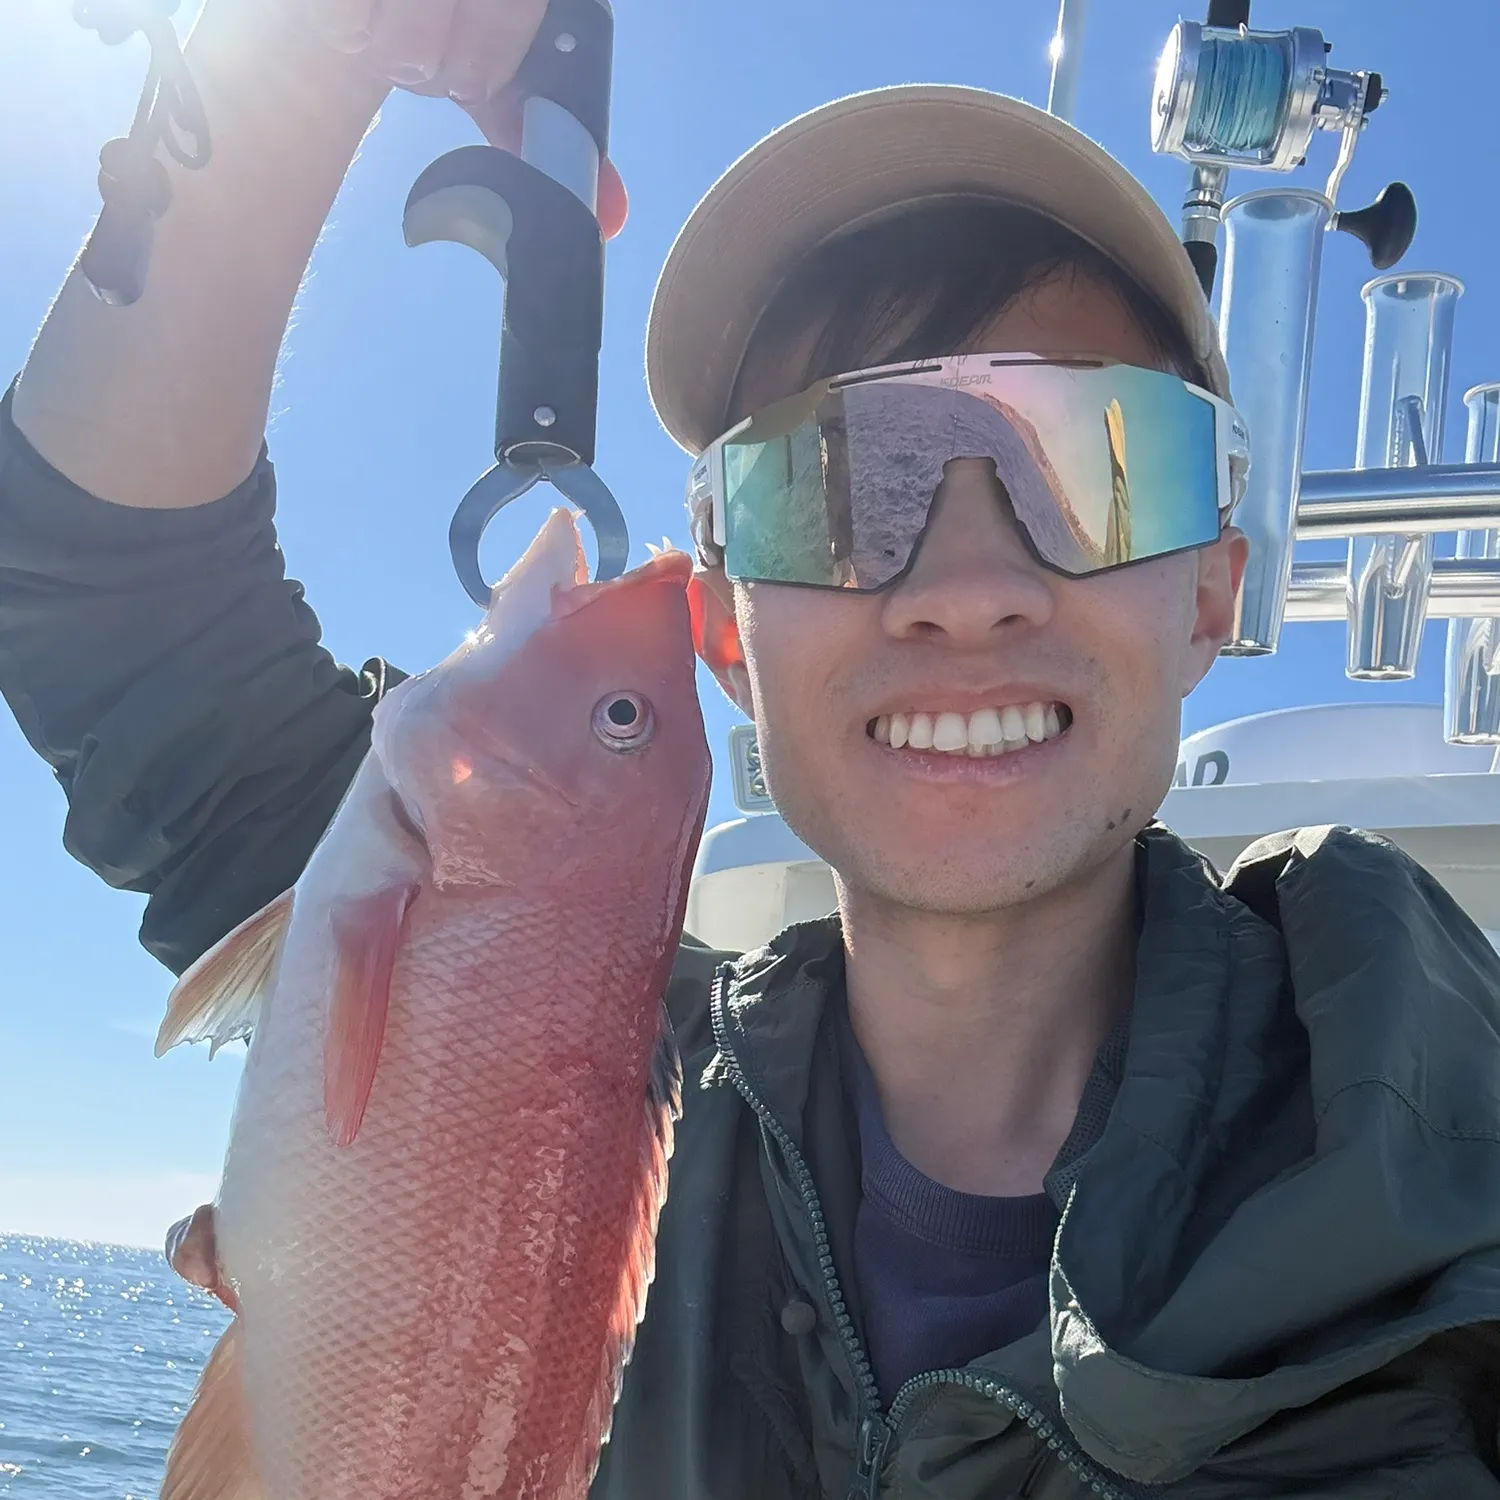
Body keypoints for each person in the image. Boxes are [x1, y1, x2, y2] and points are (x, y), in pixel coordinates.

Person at [6, 3, 1500, 1496]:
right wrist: (306, 56)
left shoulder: (1459, 1173)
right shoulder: (541, 1014)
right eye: (835, 483)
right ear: (724, 630)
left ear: (1214, 592)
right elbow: (103, 599)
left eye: (1096, 465)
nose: (965, 584)